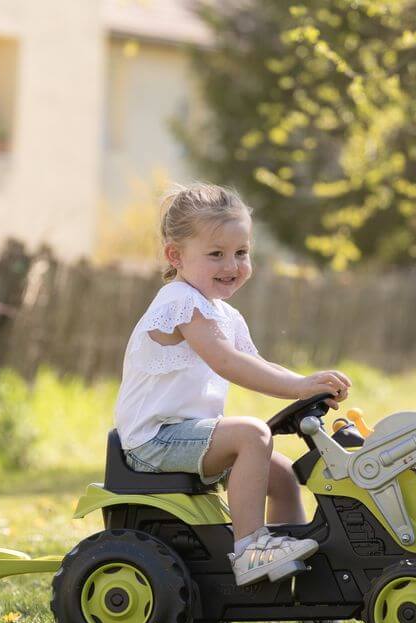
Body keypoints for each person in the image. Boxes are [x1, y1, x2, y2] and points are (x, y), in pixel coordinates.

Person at [114, 182, 351, 586]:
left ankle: (291, 575)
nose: (232, 265)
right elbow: (228, 362)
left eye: (241, 253)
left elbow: (255, 364)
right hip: (155, 439)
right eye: (216, 255)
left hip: (191, 437)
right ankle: (250, 551)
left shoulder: (222, 313)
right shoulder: (179, 302)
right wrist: (300, 387)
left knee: (283, 477)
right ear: (176, 255)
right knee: (252, 435)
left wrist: (304, 385)